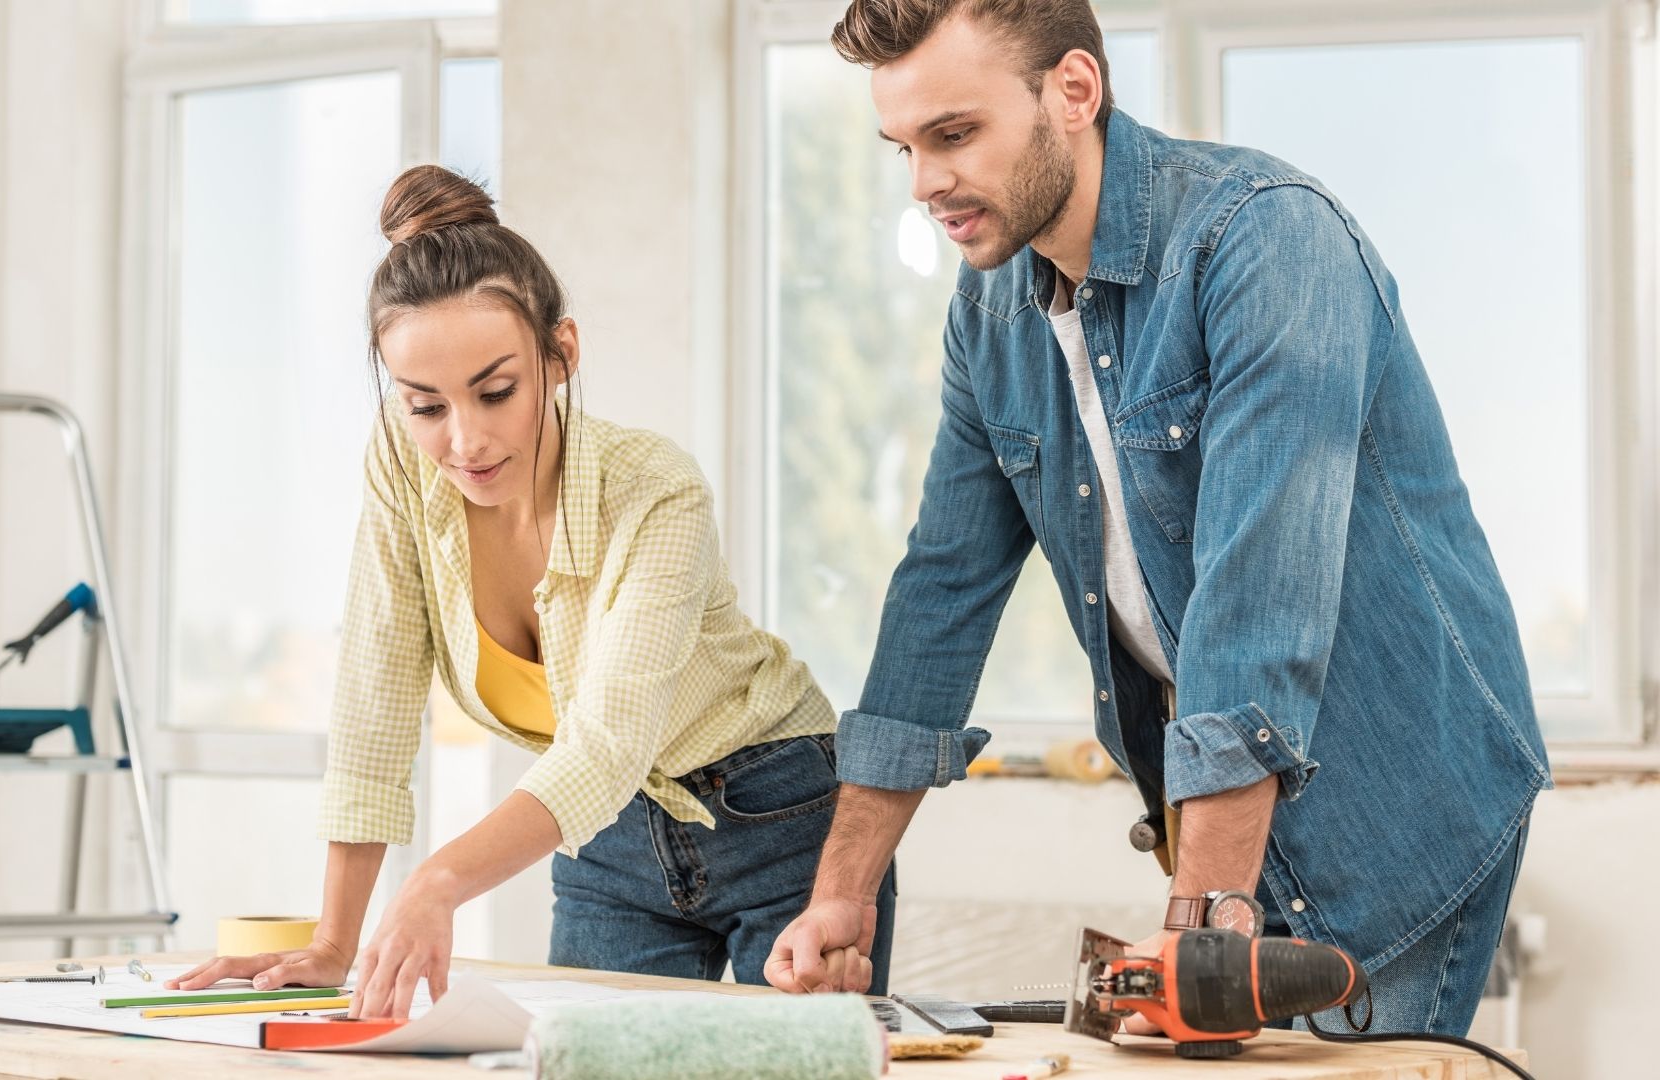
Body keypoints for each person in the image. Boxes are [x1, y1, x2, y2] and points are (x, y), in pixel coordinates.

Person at [767, 0, 1548, 1038]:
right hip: (1232, 823)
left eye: (954, 135)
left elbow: (1254, 606)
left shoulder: (1265, 239)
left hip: (1400, 811)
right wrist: (843, 893)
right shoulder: (991, 312)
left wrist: (1203, 929)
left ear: (1074, 93)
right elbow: (939, 595)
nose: (923, 184)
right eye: (903, 147)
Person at [168, 165, 893, 1018]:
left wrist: (437, 883)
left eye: (496, 391)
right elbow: (377, 694)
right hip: (608, 842)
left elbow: (610, 743)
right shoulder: (404, 466)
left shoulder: (656, 489)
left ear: (561, 354)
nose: (464, 441)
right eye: (425, 405)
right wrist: (335, 940)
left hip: (781, 814)